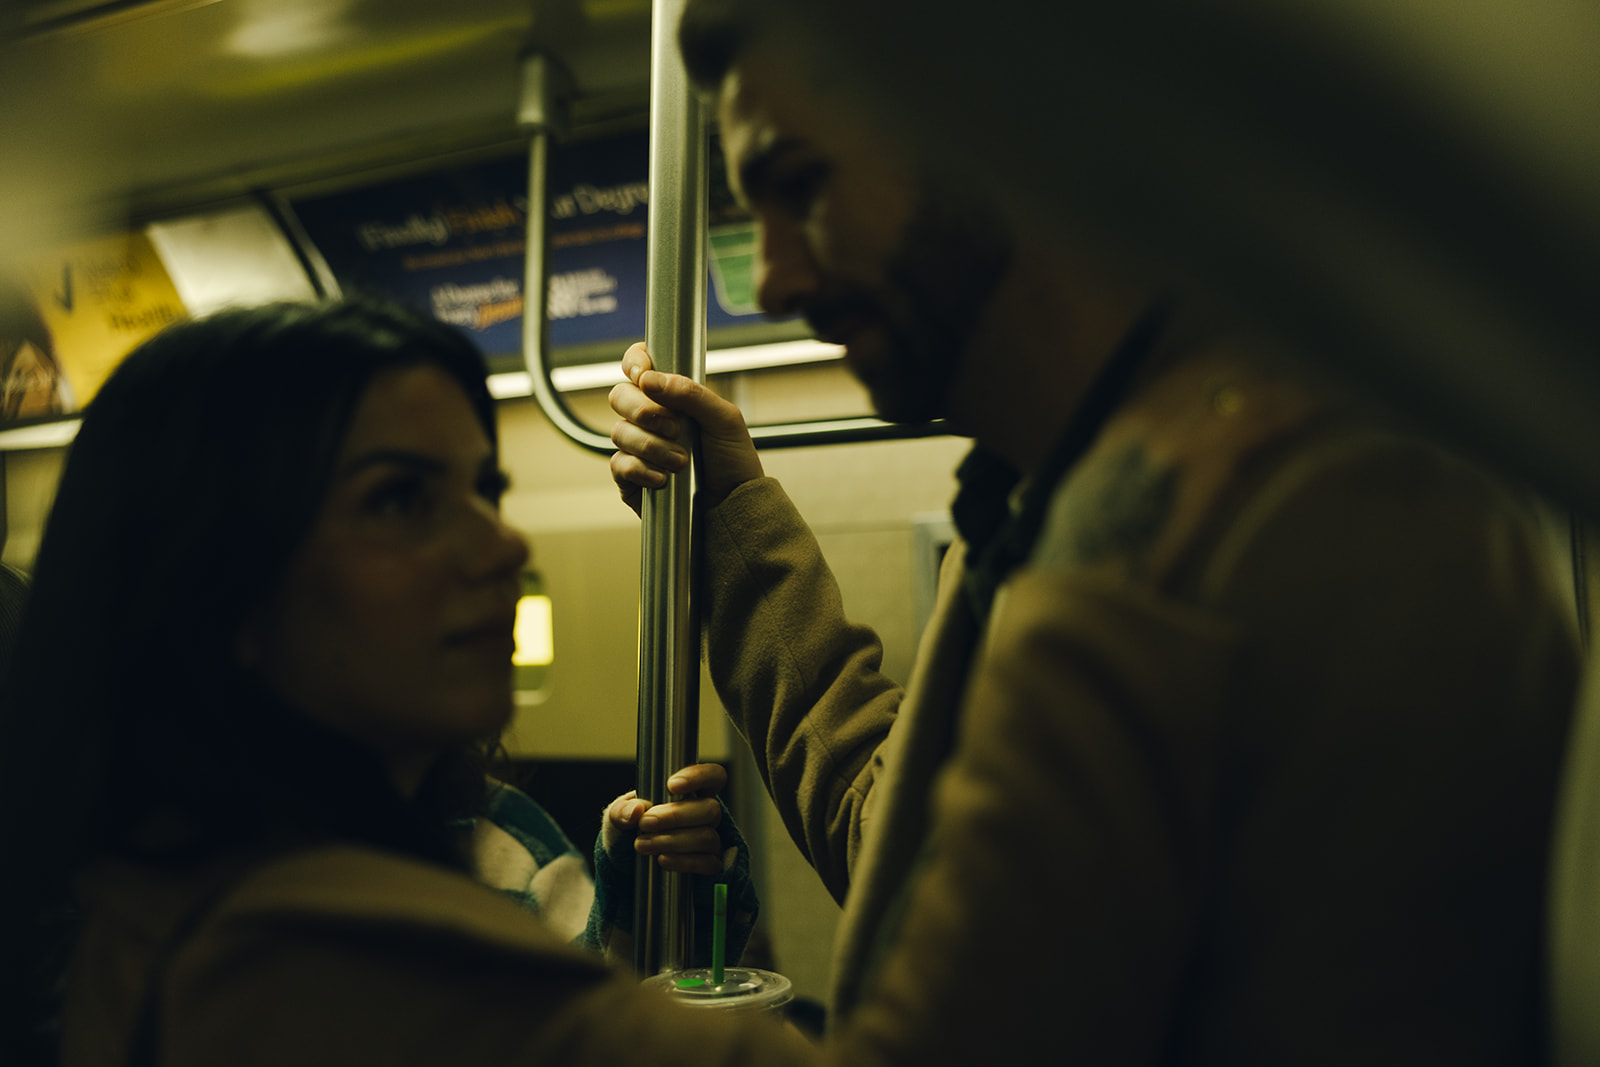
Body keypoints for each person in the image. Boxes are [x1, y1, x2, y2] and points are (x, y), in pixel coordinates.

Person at [603, 1, 1582, 1061]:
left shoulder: (1203, 530)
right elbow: (901, 840)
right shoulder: (1038, 503)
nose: (779, 279)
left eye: (804, 187)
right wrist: (734, 516)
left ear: (997, 133)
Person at [0, 297, 784, 1067]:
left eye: (485, 490)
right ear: (214, 575)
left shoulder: (128, 892)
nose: (505, 544)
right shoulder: (306, 951)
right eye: (399, 498)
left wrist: (651, 900)